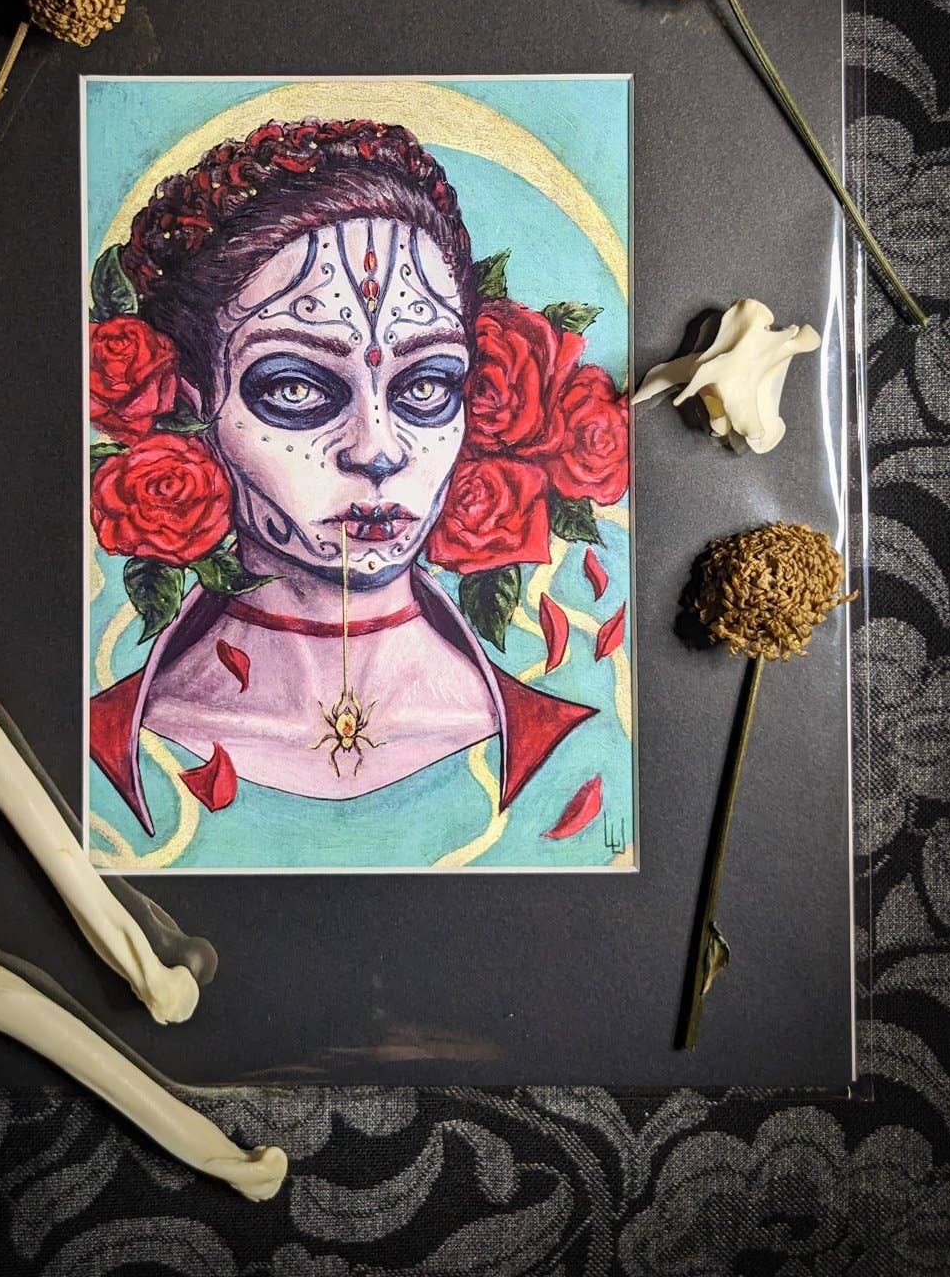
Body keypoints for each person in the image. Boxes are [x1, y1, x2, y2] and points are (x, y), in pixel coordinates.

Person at [89, 118, 601, 862]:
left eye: (426, 385)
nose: (378, 450)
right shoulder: (98, 752)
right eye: (296, 387)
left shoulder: (570, 752)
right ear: (187, 408)